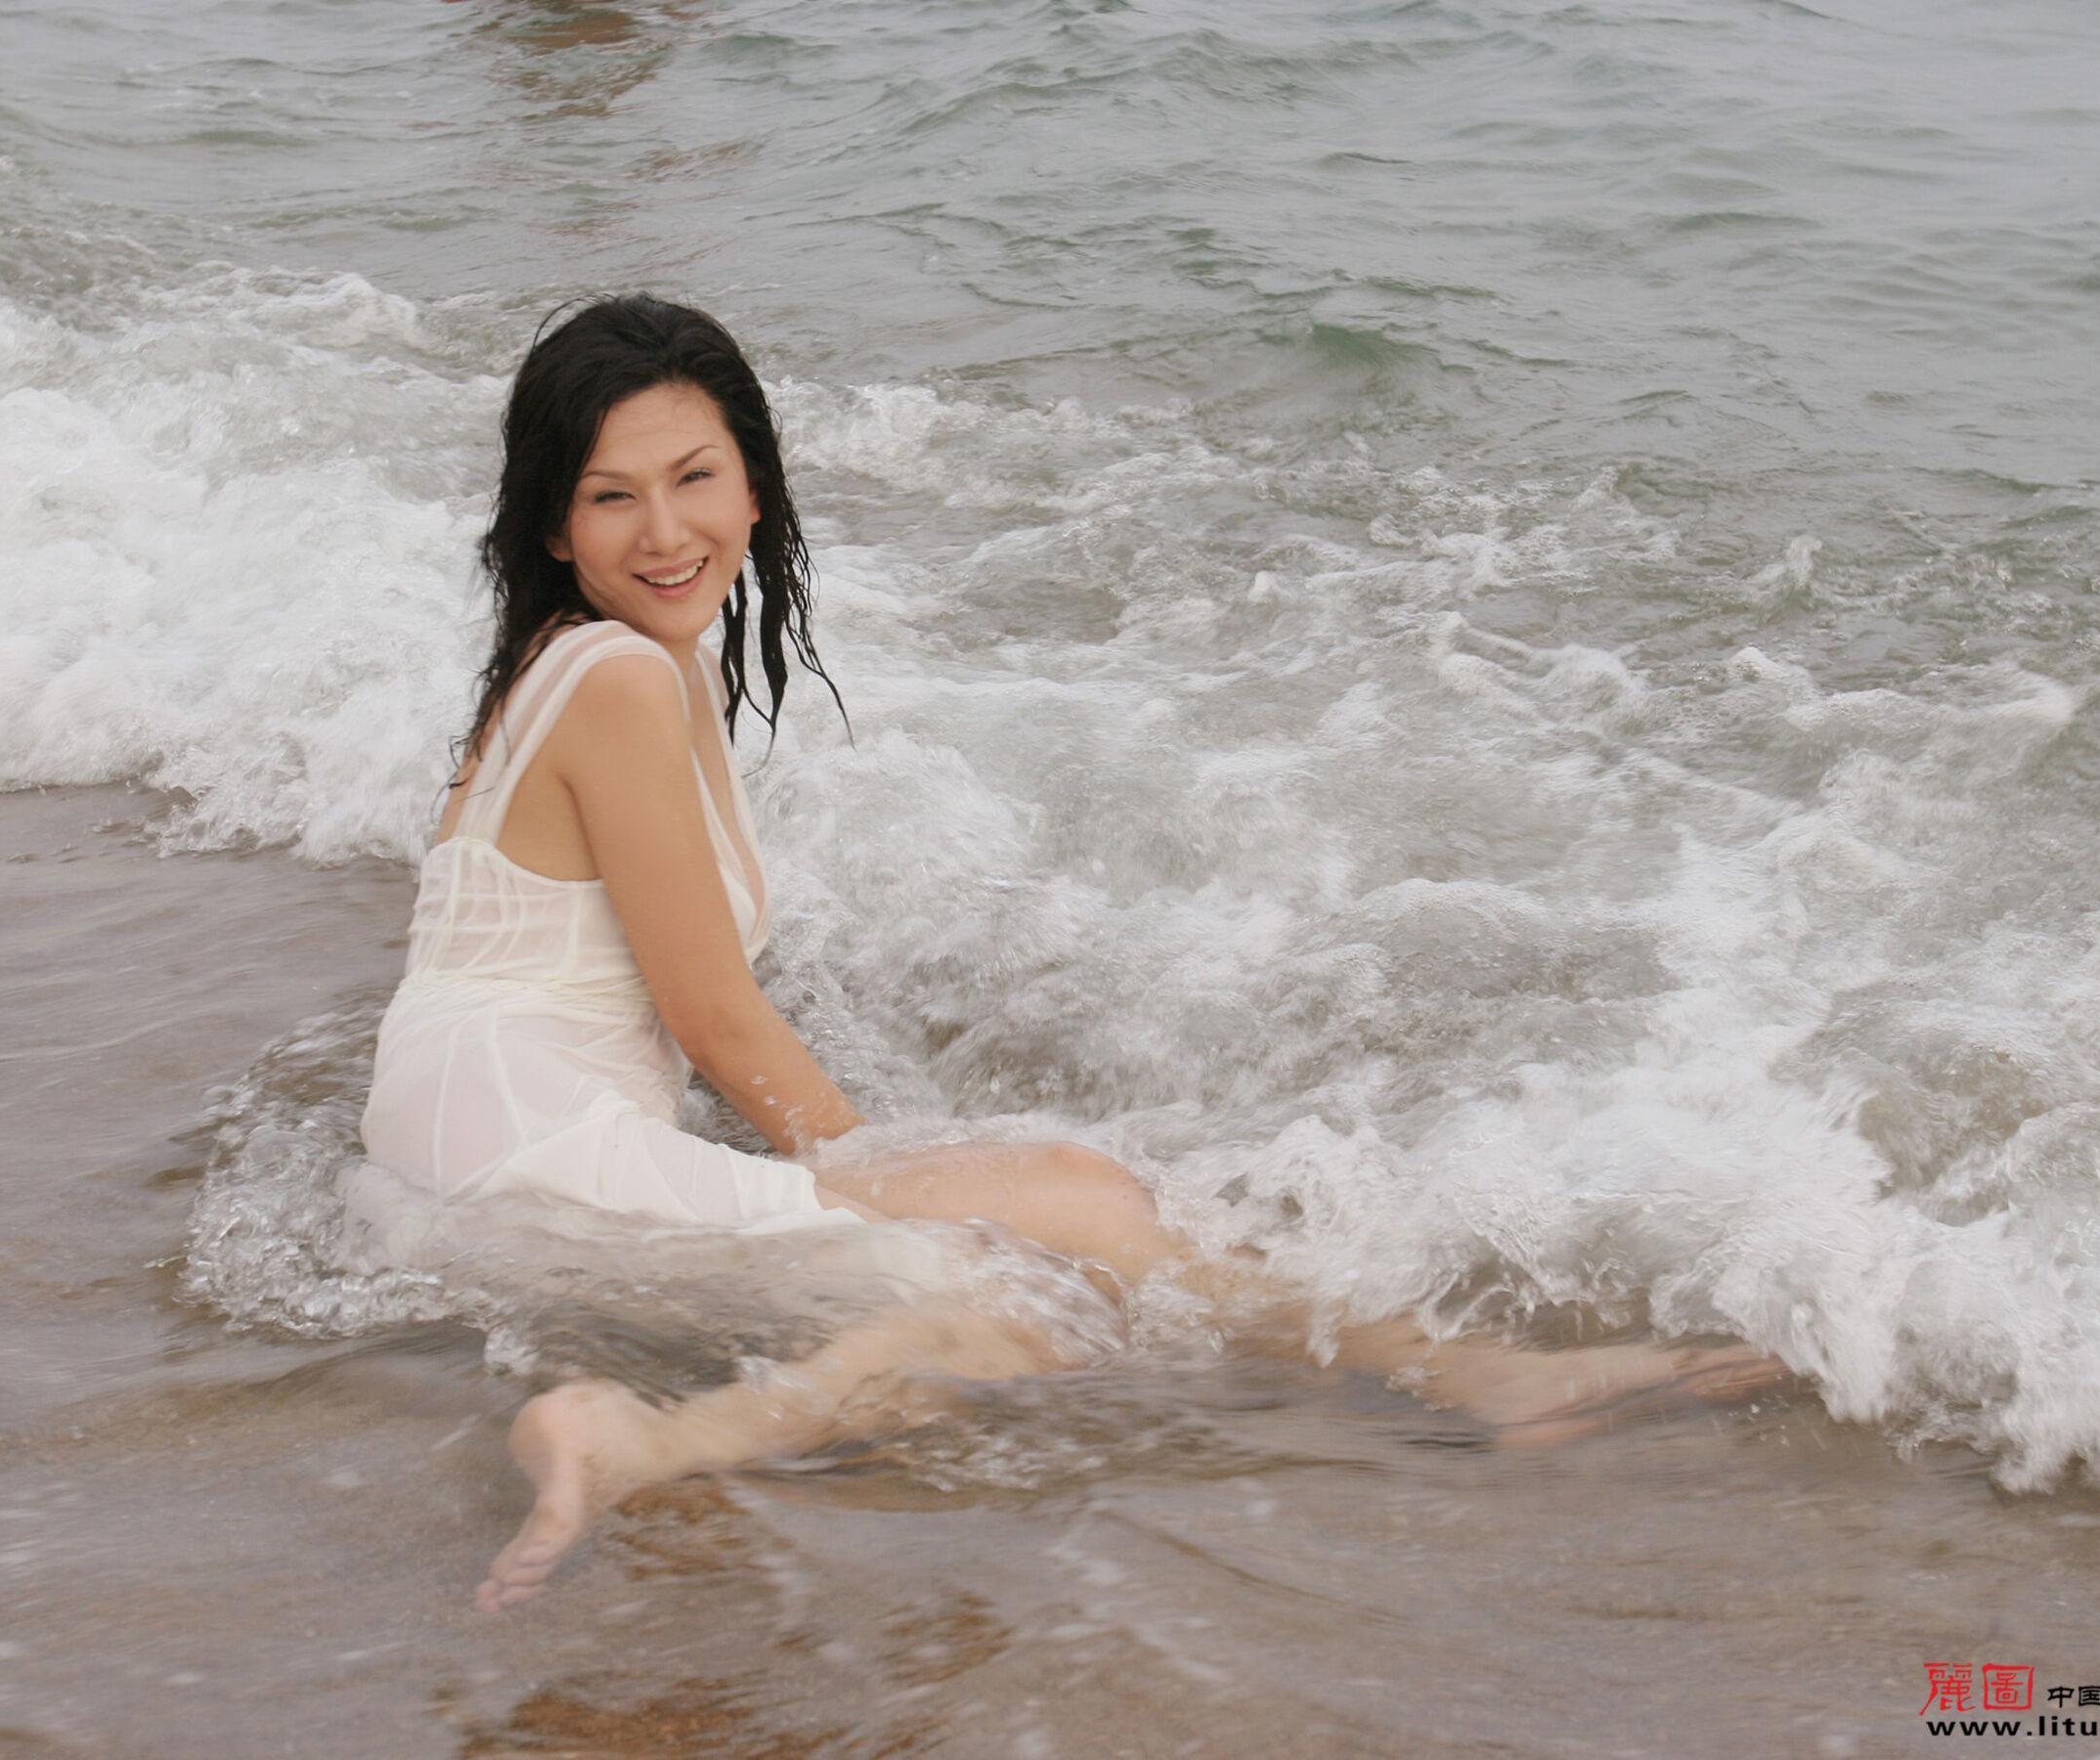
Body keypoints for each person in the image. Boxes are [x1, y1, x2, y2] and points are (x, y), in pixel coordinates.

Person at [353, 293, 1786, 1614]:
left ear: (756, 487)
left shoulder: (616, 660)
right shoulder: (614, 676)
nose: (666, 530)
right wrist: (883, 1178)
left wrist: (912, 1186)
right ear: (554, 526)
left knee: (1060, 1231)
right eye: (612, 495)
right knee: (1046, 1270)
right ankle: (649, 1441)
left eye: (695, 478)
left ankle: (1468, 1375)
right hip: (517, 1142)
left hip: (463, 1124)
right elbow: (712, 1016)